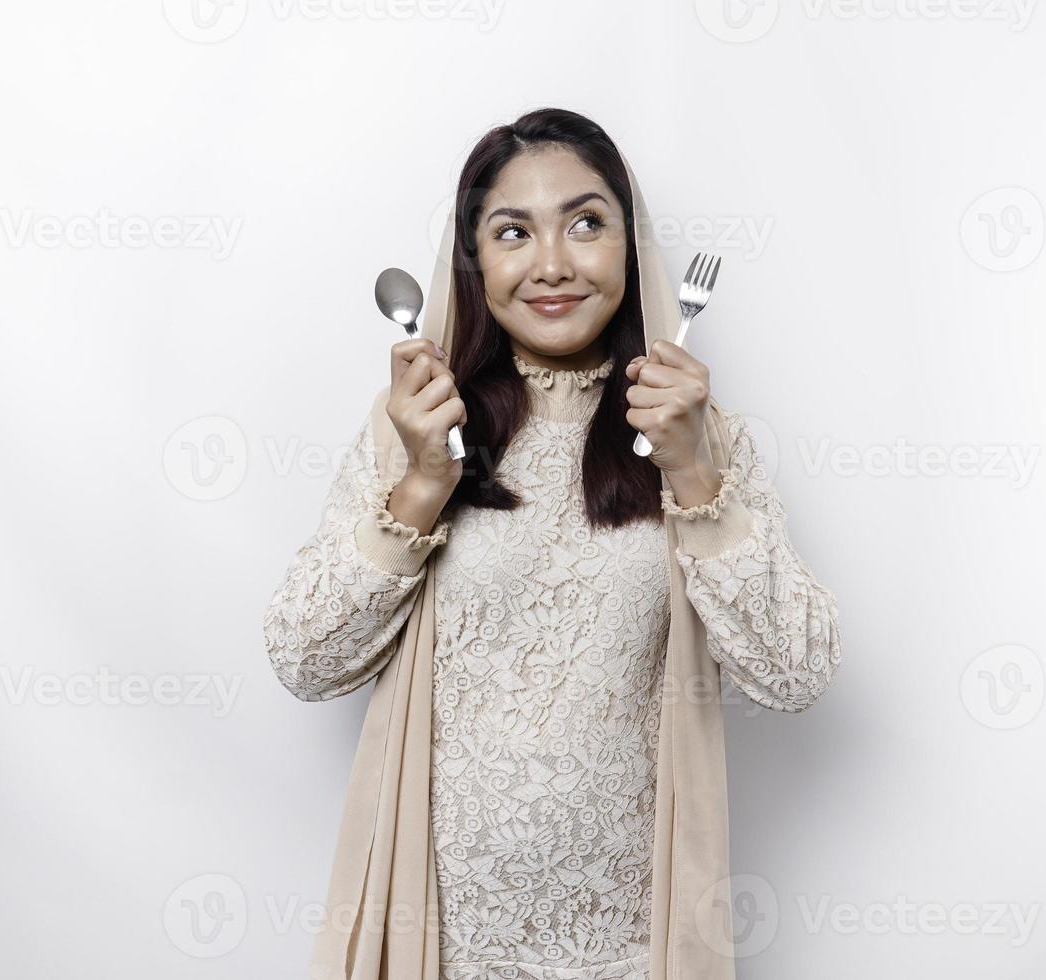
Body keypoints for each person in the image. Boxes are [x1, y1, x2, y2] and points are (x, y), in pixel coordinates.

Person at [264, 107, 842, 980]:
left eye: (586, 223)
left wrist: (692, 473)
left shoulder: (698, 434)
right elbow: (306, 661)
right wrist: (422, 483)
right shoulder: (414, 431)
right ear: (474, 262)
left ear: (632, 245)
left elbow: (795, 674)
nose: (553, 264)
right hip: (440, 940)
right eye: (512, 232)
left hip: (630, 946)